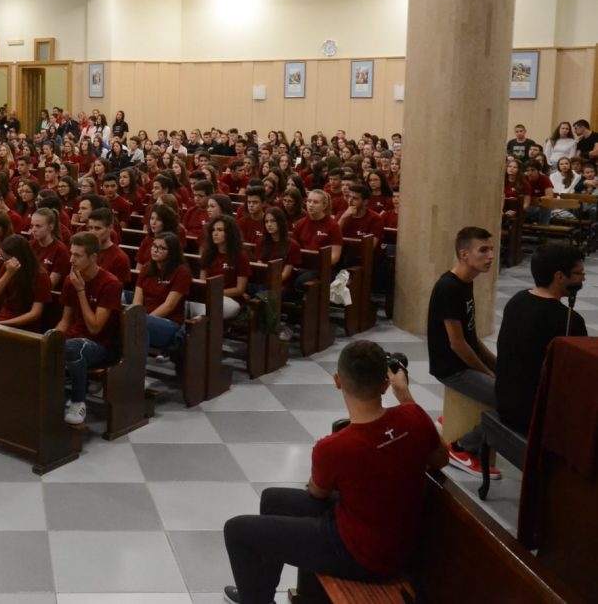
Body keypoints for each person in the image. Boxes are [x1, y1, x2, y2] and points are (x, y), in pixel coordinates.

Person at [222, 340, 446, 604]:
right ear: (386, 384)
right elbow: (440, 458)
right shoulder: (414, 415)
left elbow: (317, 493)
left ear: (338, 381)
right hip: (393, 537)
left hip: (363, 556)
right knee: (272, 499)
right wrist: (405, 395)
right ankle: (260, 596)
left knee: (236, 531)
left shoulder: (334, 447)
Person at [426, 226, 501, 478]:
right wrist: (487, 373)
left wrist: (496, 364)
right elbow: (457, 344)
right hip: (452, 369)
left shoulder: (466, 282)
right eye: (483, 250)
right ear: (464, 254)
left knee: (513, 379)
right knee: (510, 402)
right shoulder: (449, 287)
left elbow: (472, 336)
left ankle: (450, 420)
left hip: (463, 361)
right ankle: (462, 448)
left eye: (491, 249)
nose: (491, 256)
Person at [495, 243, 587, 434]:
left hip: (505, 400)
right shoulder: (569, 320)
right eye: (579, 273)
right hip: (534, 413)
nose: (583, 278)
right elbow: (577, 375)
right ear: (559, 277)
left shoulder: (517, 300)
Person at [55, 231, 123, 425]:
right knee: (45, 343)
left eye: (77, 255)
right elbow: (65, 321)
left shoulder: (110, 284)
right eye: (71, 254)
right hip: (75, 337)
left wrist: (81, 290)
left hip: (101, 346)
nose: (71, 260)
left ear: (93, 257)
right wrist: (51, 339)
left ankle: (78, 402)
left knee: (73, 348)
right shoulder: (70, 279)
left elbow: (95, 328)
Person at [133, 230, 193, 361]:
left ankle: (135, 366)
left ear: (172, 252)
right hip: (144, 318)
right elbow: (137, 300)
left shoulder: (181, 272)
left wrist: (142, 319)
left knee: (139, 324)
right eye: (154, 246)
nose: (155, 250)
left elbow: (169, 306)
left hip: (169, 323)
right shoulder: (146, 268)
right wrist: (136, 317)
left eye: (161, 248)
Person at [0, 234, 51, 329]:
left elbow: (35, 313)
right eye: (3, 258)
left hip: (24, 325)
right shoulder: (7, 267)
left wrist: (3, 324)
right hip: (3, 317)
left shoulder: (41, 275)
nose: (5, 262)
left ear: (19, 257)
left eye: (7, 259)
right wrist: (9, 273)